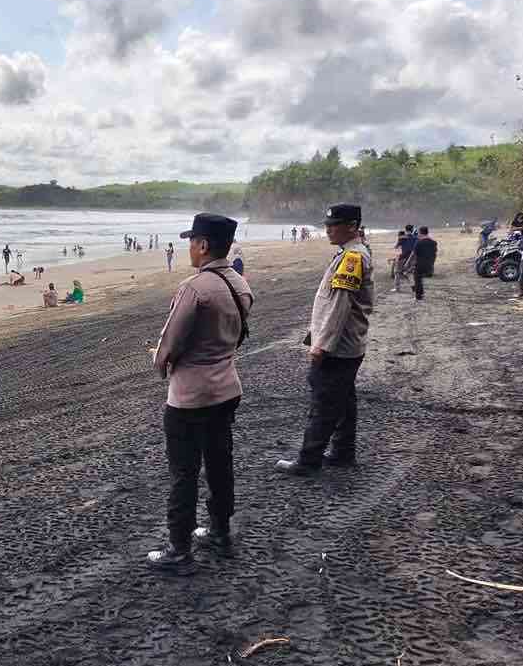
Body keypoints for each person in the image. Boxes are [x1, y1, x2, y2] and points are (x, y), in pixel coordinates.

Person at [147, 213, 254, 570]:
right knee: (220, 464)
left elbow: (170, 344)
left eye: (191, 241)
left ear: (203, 245)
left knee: (184, 472)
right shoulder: (240, 283)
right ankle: (220, 531)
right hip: (226, 387)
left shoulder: (194, 288)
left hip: (190, 397)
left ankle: (179, 549)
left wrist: (159, 359)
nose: (189, 248)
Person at [276, 204, 374, 476]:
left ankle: (308, 461)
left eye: (334, 224)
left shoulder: (352, 257)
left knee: (324, 401)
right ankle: (343, 452)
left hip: (339, 347)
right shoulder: (351, 253)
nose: (328, 229)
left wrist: (322, 345)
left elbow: (340, 305)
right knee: (343, 399)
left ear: (352, 226)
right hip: (348, 344)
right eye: (327, 224)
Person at [408, 225, 438, 301]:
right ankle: (421, 293)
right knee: (419, 279)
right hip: (430, 265)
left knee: (417, 278)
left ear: (421, 233)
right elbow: (434, 254)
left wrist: (407, 264)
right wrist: (432, 263)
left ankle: (418, 296)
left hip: (420, 264)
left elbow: (413, 254)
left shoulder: (419, 243)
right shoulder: (434, 242)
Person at [393, 224, 418, 292]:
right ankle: (413, 285)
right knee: (408, 272)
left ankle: (397, 288)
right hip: (412, 257)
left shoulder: (402, 238)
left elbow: (396, 247)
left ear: (406, 230)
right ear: (412, 230)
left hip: (403, 257)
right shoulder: (415, 238)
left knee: (397, 272)